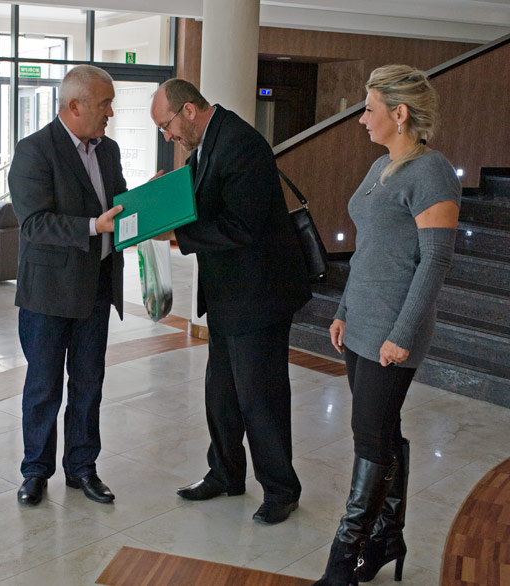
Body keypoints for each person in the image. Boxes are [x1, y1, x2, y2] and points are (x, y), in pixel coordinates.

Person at [313, 66, 460, 585]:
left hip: (394, 329)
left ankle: (344, 559)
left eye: (368, 108)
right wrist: (344, 309)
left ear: (399, 114)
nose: (362, 119)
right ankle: (387, 536)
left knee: (370, 439)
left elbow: (434, 262)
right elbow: (368, 250)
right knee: (383, 430)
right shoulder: (381, 166)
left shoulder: (432, 172)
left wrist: (402, 334)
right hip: (362, 322)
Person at [149, 79, 311, 524]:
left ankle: (281, 489)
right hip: (227, 295)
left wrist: (176, 235)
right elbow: (199, 197)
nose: (168, 136)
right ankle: (225, 473)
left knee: (261, 397)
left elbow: (241, 227)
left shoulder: (241, 144)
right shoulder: (206, 142)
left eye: (167, 126)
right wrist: (160, 198)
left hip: (259, 296)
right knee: (220, 394)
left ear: (188, 110)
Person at [8, 65, 126, 506]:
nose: (110, 113)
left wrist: (145, 201)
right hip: (49, 293)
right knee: (43, 388)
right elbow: (35, 223)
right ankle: (35, 472)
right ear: (74, 106)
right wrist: (93, 226)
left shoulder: (109, 151)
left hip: (97, 287)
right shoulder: (34, 150)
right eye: (104, 104)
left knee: (89, 384)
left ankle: (82, 468)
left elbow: (117, 206)